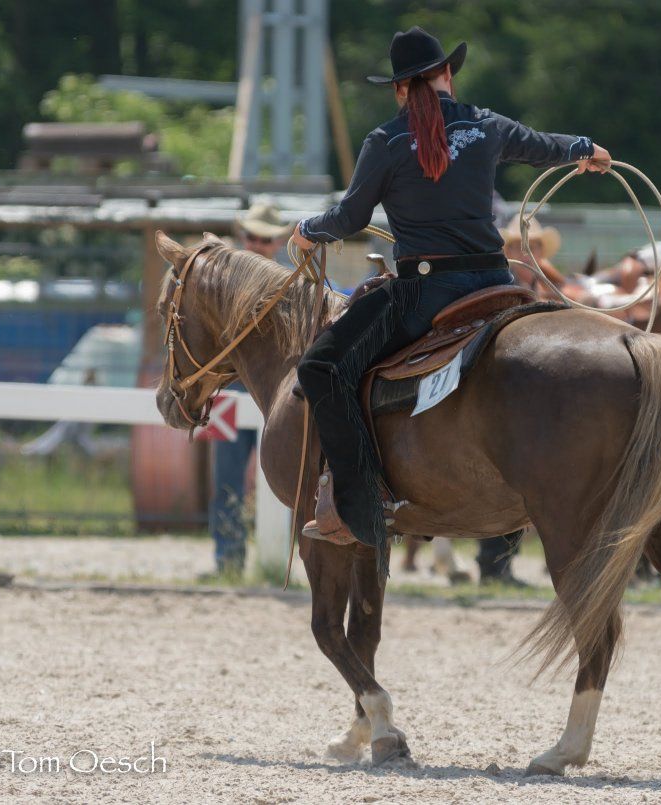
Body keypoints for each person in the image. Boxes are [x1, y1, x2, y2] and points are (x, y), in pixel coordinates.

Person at [291, 27, 610, 570]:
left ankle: (355, 502)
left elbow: (350, 219)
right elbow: (542, 146)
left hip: (424, 293)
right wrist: (588, 149)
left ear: (399, 89)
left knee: (321, 367)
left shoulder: (386, 142)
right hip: (495, 286)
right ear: (447, 75)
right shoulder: (486, 126)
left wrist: (305, 229)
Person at [205, 203, 293, 580]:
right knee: (226, 476)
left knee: (288, 481)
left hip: (274, 397)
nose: (258, 244)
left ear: (277, 242)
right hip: (232, 395)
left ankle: (284, 561)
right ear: (244, 238)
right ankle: (229, 561)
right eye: (253, 237)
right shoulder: (224, 283)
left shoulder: (290, 285)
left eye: (265, 238)